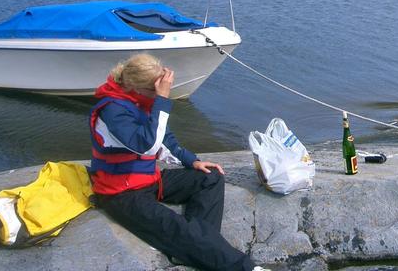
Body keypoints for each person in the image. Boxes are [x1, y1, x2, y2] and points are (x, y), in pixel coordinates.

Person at [89, 53, 268, 271]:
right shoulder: (113, 111)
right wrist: (162, 101)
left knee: (210, 178)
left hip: (147, 179)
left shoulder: (138, 100)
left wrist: (191, 161)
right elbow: (148, 145)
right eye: (155, 91)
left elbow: (165, 138)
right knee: (178, 229)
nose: (158, 95)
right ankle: (245, 267)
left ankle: (193, 250)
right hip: (120, 193)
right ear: (137, 88)